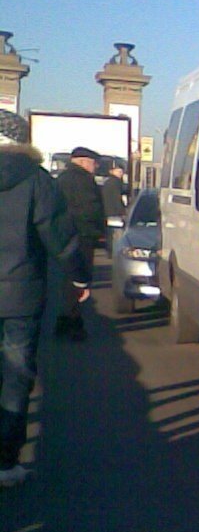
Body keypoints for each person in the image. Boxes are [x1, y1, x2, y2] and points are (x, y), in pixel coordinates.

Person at [0, 111, 91, 486]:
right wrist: (79, 276)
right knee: (16, 376)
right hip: (21, 293)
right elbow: (60, 235)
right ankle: (5, 463)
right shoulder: (37, 181)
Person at [54, 145, 105, 340]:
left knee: (68, 280)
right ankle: (72, 324)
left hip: (65, 237)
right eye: (94, 163)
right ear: (84, 162)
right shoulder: (84, 181)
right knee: (79, 280)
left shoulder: (61, 179)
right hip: (82, 237)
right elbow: (90, 211)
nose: (96, 167)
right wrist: (97, 232)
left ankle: (64, 321)